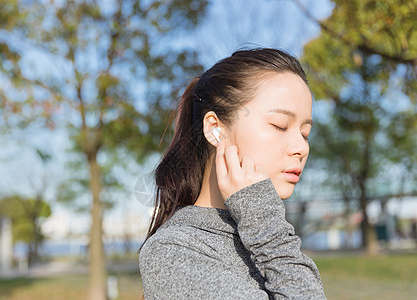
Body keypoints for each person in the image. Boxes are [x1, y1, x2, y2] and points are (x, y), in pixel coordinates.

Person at [138, 48, 327, 299]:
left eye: (305, 133)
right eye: (280, 126)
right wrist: (265, 225)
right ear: (216, 129)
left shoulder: (264, 233)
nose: (302, 148)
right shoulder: (173, 251)